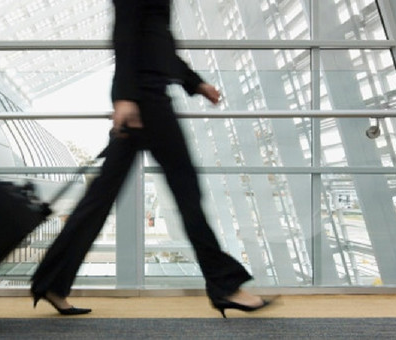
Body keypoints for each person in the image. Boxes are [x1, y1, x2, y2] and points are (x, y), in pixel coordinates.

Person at [31, 0, 273, 318]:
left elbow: (156, 42)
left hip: (146, 98)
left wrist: (195, 83)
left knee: (100, 198)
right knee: (187, 194)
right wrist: (125, 97)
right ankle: (225, 285)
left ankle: (52, 281)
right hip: (145, 102)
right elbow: (126, 35)